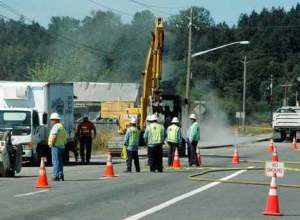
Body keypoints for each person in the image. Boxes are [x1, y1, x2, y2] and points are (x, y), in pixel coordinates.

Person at [48, 112, 67, 181]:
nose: (51, 121)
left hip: (56, 146)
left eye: (52, 119)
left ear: (56, 120)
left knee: (55, 161)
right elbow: (65, 137)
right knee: (60, 161)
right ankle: (60, 174)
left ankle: (55, 175)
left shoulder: (55, 126)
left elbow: (54, 136)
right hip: (62, 146)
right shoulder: (61, 126)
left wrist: (52, 143)